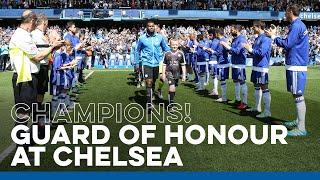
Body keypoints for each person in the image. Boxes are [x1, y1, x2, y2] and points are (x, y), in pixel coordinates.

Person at [9, 10, 63, 146]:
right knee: (24, 114)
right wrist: (52, 47)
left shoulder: (24, 35)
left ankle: (26, 142)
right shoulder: (22, 36)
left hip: (28, 77)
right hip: (25, 77)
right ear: (32, 21)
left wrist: (51, 48)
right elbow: (37, 57)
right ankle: (21, 147)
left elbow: (38, 54)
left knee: (28, 111)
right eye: (35, 22)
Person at [266, 4, 309, 136]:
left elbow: (287, 44)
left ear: (291, 11)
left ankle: (301, 128)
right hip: (295, 63)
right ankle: (298, 121)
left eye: (286, 11)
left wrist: (273, 37)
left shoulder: (296, 25)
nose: (284, 14)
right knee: (296, 94)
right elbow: (289, 41)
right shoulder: (298, 25)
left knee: (298, 95)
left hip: (296, 63)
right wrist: (276, 35)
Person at [135, 20, 170, 112]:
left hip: (158, 63)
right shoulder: (142, 38)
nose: (151, 27)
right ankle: (149, 104)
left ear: (154, 27)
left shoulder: (160, 37)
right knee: (148, 82)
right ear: (146, 27)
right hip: (147, 63)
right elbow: (137, 51)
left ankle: (153, 94)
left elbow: (166, 48)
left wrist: (171, 55)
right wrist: (137, 63)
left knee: (153, 81)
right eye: (149, 26)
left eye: (152, 26)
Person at [243, 21, 272, 118]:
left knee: (264, 87)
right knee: (256, 86)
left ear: (259, 27)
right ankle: (257, 107)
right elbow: (255, 53)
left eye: (254, 27)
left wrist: (250, 49)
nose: (252, 29)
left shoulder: (266, 38)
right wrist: (249, 49)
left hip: (262, 67)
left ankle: (267, 111)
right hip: (256, 66)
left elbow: (261, 53)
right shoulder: (258, 38)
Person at [220, 25, 248, 109]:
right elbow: (232, 51)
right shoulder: (235, 39)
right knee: (235, 81)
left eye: (232, 29)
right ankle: (237, 99)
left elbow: (237, 51)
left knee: (242, 82)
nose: (230, 31)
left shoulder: (242, 39)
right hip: (235, 63)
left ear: (236, 30)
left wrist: (227, 46)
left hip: (240, 64)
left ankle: (245, 102)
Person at [161, 39, 186, 112]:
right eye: (173, 45)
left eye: (176, 45)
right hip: (169, 73)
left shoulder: (181, 54)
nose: (174, 46)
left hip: (177, 74)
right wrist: (163, 74)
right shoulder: (167, 53)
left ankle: (170, 100)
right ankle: (170, 106)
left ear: (178, 45)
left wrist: (184, 75)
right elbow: (164, 64)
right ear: (170, 45)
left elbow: (183, 65)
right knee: (172, 87)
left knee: (173, 88)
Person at [213, 28, 230, 103]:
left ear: (217, 33)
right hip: (224, 62)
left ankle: (224, 97)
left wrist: (212, 51)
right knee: (222, 80)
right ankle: (223, 96)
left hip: (222, 62)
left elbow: (219, 52)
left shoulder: (221, 41)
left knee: (222, 80)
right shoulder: (224, 40)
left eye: (215, 33)